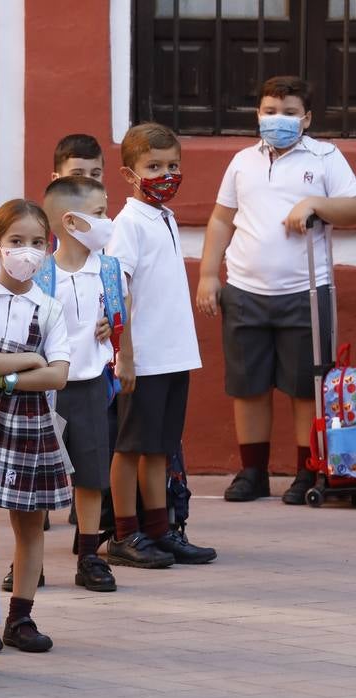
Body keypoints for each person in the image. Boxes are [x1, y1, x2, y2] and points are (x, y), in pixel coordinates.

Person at [195, 76, 356, 504]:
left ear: (306, 118)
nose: (279, 119)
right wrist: (208, 275)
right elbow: (221, 219)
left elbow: (355, 207)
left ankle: (306, 473)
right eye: (270, 111)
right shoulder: (241, 162)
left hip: (306, 292)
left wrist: (314, 204)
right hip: (245, 291)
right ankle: (252, 472)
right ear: (258, 114)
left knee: (304, 386)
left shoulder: (326, 157)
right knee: (247, 385)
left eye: (289, 112)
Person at [105, 123, 217, 568]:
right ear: (129, 174)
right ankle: (124, 535)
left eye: (172, 165)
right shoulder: (128, 224)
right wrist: (125, 353)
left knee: (160, 447)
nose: (165, 174)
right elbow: (119, 289)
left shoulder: (165, 218)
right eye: (153, 166)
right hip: (144, 357)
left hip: (173, 355)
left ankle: (159, 530)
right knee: (130, 447)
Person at [0, 199, 71, 651]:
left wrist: (8, 376)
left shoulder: (48, 307)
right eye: (16, 242)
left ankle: (20, 617)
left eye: (36, 243)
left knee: (29, 525)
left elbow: (59, 373)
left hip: (29, 426)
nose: (26, 252)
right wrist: (30, 359)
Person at [42, 175, 121, 591]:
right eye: (100, 214)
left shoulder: (107, 271)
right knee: (38, 474)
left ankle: (89, 554)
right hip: (46, 391)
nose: (108, 221)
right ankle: (28, 561)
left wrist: (112, 329)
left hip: (91, 384)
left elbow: (120, 321)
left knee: (91, 475)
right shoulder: (40, 272)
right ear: (71, 222)